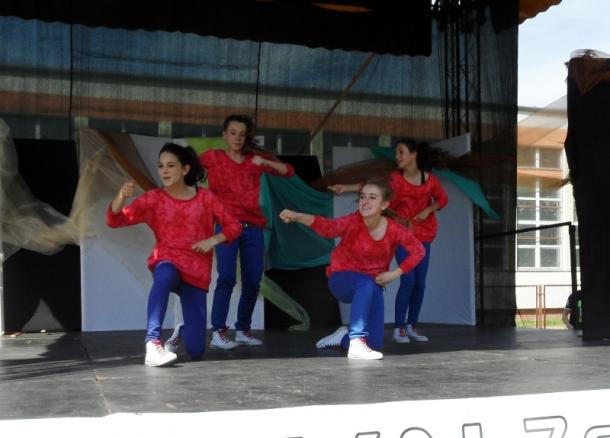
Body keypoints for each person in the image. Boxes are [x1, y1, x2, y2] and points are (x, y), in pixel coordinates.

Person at [107, 142, 242, 366]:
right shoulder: (154, 198)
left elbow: (234, 226)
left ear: (185, 169)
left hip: (196, 271)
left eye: (171, 166)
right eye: (161, 166)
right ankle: (152, 343)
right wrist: (120, 196)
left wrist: (213, 240)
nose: (164, 171)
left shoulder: (206, 198)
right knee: (165, 273)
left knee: (196, 350)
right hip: (167, 259)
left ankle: (182, 330)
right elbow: (115, 220)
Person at [279, 178, 424, 360]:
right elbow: (327, 227)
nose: (365, 201)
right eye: (362, 197)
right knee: (366, 283)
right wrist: (297, 216)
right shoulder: (352, 222)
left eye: (372, 197)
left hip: (372, 286)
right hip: (342, 280)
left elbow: (418, 251)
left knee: (374, 344)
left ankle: (344, 338)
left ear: (384, 205)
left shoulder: (394, 229)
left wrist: (395, 274)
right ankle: (356, 340)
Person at [329, 139, 448, 343]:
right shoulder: (395, 179)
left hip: (424, 235)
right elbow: (373, 188)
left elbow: (443, 199)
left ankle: (412, 325)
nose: (397, 156)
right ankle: (399, 328)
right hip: (402, 235)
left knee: (420, 284)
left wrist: (428, 210)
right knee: (408, 280)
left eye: (401, 152)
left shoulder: (430, 180)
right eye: (396, 153)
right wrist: (346, 187)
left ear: (414, 155)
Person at [200, 114, 295, 349]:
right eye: (233, 133)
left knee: (253, 281)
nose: (237, 138)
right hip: (226, 226)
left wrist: (265, 163)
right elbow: (187, 168)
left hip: (252, 227)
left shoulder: (254, 159)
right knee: (227, 278)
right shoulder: (213, 157)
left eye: (242, 134)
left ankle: (243, 330)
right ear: (224, 134)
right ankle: (218, 332)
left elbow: (288, 171)